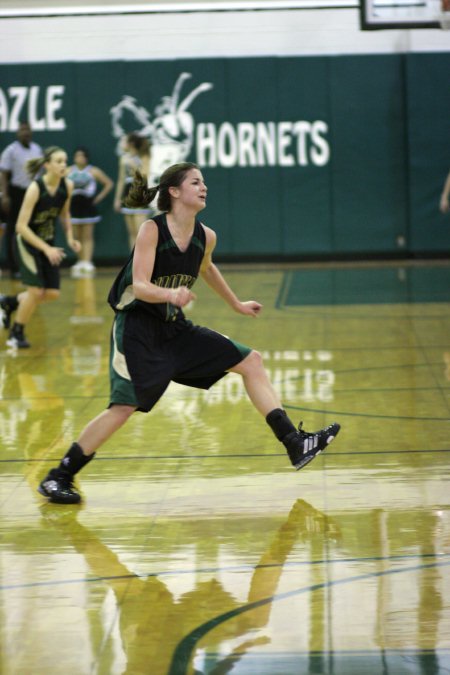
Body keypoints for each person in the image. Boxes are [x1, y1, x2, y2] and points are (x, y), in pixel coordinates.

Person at [37, 162, 340, 505]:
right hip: (136, 328)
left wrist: (236, 303)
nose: (204, 186)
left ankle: (294, 443)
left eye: (204, 182)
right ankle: (59, 475)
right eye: (195, 182)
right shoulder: (152, 230)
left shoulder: (206, 236)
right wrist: (170, 294)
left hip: (174, 326)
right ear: (174, 191)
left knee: (251, 361)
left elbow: (206, 267)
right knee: (124, 407)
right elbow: (139, 285)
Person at [0, 146, 80, 349]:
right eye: (59, 161)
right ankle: (16, 334)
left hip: (47, 243)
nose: (64, 165)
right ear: (47, 165)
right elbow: (20, 226)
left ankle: (9, 302)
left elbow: (64, 214)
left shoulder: (67, 186)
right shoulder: (35, 188)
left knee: (53, 293)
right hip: (27, 243)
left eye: (65, 161)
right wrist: (46, 249)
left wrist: (70, 238)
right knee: (35, 292)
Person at [0, 121, 43, 277]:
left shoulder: (37, 149)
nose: (25, 132)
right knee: (14, 230)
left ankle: (32, 266)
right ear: (18, 133)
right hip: (16, 193)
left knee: (33, 229)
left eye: (27, 129)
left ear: (31, 131)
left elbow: (40, 174)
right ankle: (14, 267)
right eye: (22, 130)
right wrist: (5, 196)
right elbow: (4, 174)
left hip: (33, 192)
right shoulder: (11, 150)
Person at [67, 147, 114, 277]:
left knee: (87, 236)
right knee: (76, 236)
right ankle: (79, 261)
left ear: (86, 158)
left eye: (82, 156)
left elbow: (109, 183)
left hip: (88, 206)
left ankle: (87, 262)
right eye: (77, 156)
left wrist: (98, 197)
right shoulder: (68, 171)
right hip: (73, 207)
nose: (80, 158)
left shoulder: (93, 171)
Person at [113, 132, 152, 250]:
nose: (123, 144)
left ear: (131, 143)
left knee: (142, 233)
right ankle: (134, 261)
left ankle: (147, 261)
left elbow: (145, 175)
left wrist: (133, 164)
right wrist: (117, 199)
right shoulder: (123, 158)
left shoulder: (144, 156)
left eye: (125, 141)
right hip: (127, 194)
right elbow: (121, 180)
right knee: (132, 233)